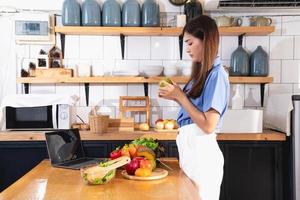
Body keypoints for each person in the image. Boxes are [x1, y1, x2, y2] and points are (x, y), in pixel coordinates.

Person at [158, 15, 229, 200]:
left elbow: (208, 125)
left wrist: (180, 96)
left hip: (202, 157)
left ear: (205, 39)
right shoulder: (202, 75)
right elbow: (194, 112)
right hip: (192, 153)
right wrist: (177, 96)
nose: (187, 49)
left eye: (190, 43)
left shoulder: (217, 75)